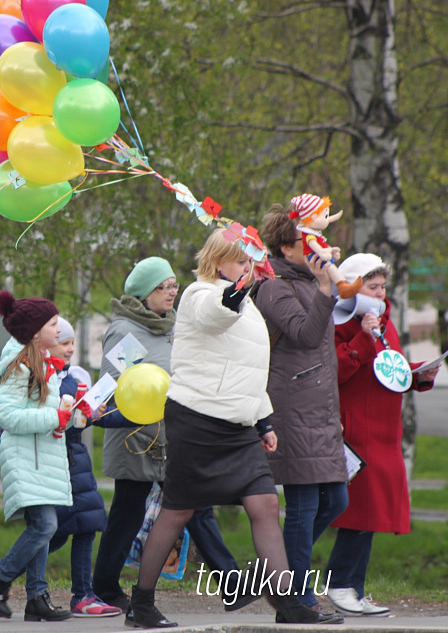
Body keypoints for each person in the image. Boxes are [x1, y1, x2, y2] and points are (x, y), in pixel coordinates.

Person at [128, 230, 341, 628]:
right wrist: (245, 283)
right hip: (197, 419)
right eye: (240, 261)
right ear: (218, 262)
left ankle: (288, 605)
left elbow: (250, 368)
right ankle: (140, 605)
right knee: (177, 510)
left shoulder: (246, 304)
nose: (247, 268)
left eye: (248, 262)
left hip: (239, 423)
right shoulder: (199, 294)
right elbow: (216, 313)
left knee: (265, 505)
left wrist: (264, 420)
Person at [91, 256, 243, 613]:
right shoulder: (127, 330)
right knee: (128, 513)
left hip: (169, 436)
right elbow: (113, 389)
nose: (172, 292)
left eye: (175, 285)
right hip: (137, 439)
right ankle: (105, 585)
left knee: (196, 506)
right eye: (165, 286)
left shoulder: (168, 327)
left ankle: (231, 583)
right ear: (145, 292)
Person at [324, 254, 439, 616]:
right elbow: (335, 370)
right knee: (359, 511)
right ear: (354, 288)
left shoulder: (385, 323)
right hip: (356, 430)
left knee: (373, 514)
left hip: (385, 433)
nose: (379, 294)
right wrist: (361, 336)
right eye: (371, 287)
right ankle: (340, 583)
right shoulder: (341, 321)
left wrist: (419, 374)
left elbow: (391, 368)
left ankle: (353, 587)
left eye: (382, 287)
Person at [254, 208, 349, 612]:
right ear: (284, 247)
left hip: (319, 407)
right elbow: (306, 336)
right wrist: (328, 289)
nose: (315, 247)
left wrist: (327, 280)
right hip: (291, 406)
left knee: (336, 501)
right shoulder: (272, 287)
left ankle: (277, 575)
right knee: (305, 504)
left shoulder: (305, 279)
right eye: (306, 241)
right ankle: (296, 596)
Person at [0, 291, 72, 623]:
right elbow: (8, 416)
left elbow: (45, 413)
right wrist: (53, 419)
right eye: (53, 324)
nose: (59, 330)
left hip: (41, 455)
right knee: (45, 526)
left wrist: (65, 418)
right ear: (34, 332)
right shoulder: (20, 366)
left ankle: (36, 599)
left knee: (41, 528)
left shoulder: (43, 363)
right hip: (25, 459)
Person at [45, 317, 120, 618]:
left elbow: (92, 418)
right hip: (56, 462)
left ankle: (83, 594)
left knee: (86, 526)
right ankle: (2, 574)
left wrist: (137, 417)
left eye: (73, 343)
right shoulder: (50, 379)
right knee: (49, 532)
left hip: (77, 462)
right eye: (64, 343)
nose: (71, 349)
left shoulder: (75, 376)